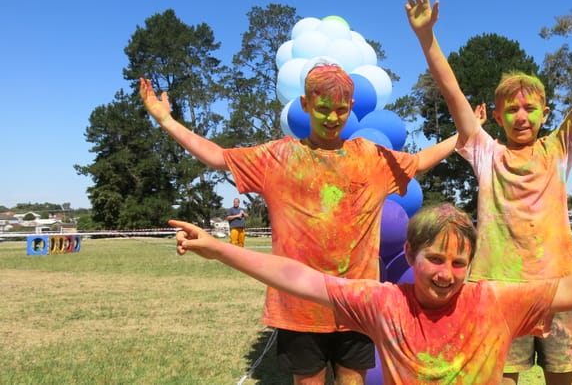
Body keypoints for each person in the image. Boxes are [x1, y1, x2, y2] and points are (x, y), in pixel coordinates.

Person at [139, 64, 459, 385]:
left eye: (341, 109)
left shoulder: (371, 158)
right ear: (306, 104)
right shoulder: (277, 157)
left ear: (350, 108)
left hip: (358, 304)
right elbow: (218, 157)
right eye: (323, 109)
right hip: (299, 307)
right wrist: (166, 120)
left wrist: (465, 132)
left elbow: (420, 160)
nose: (332, 118)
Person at [169, 203, 572, 384]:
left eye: (458, 262)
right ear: (413, 256)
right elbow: (298, 278)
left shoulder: (493, 300)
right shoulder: (384, 302)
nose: (446, 273)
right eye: (435, 259)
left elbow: (569, 288)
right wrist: (218, 248)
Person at [405, 0, 572, 384]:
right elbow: (452, 93)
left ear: (544, 114)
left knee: (564, 376)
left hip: (559, 288)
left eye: (530, 108)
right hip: (498, 289)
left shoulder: (559, 148)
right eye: (511, 109)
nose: (520, 116)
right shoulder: (486, 153)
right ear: (496, 117)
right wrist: (427, 37)